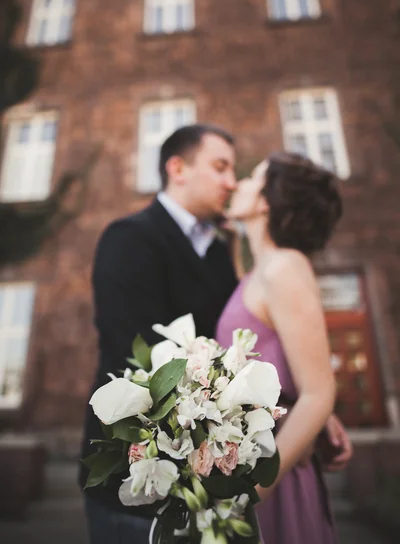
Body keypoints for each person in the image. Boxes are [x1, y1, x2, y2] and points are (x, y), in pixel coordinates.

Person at [79, 124, 238, 544]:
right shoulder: (129, 238)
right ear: (178, 168)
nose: (232, 181)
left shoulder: (220, 251)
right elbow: (133, 353)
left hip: (209, 478)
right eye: (221, 167)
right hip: (133, 474)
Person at [216, 152, 345, 544]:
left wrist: (249, 494)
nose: (236, 183)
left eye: (252, 177)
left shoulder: (286, 267)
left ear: (267, 200)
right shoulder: (260, 271)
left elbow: (319, 393)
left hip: (272, 478)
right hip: (248, 460)